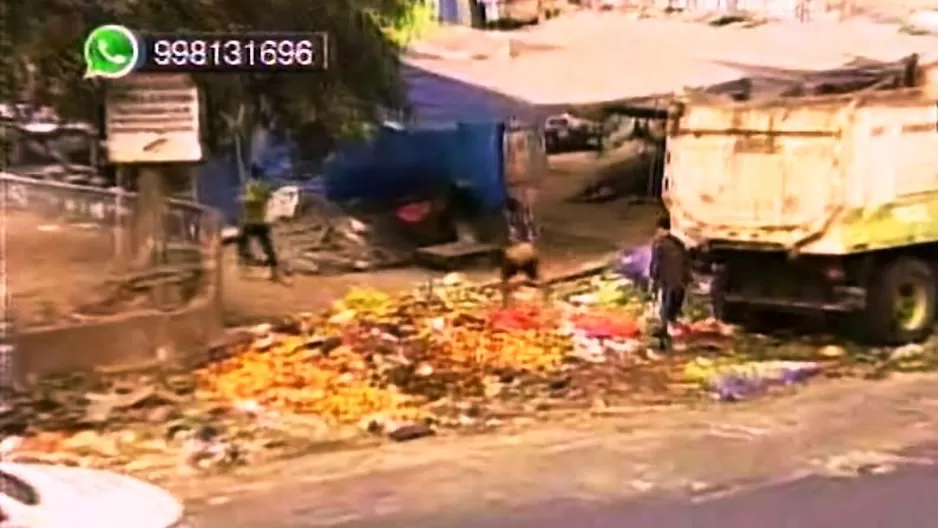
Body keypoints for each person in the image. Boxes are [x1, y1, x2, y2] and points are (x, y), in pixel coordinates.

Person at [649, 214, 692, 350]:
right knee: (673, 306)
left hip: (668, 279)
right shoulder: (678, 243)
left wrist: (653, 280)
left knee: (665, 305)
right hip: (679, 281)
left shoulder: (659, 244)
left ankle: (664, 330)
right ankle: (669, 327)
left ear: (661, 229)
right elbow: (686, 261)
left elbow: (656, 264)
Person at [500, 195, 548, 306]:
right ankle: (546, 301)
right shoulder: (527, 218)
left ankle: (505, 304)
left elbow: (506, 239)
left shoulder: (506, 222)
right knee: (537, 277)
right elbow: (535, 234)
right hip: (529, 251)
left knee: (505, 280)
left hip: (514, 255)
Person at [237, 166, 282, 281]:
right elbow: (267, 197)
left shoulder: (251, 186)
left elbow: (252, 200)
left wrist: (243, 199)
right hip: (260, 220)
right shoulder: (262, 187)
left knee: (242, 243)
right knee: (267, 246)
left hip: (251, 221)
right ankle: (274, 271)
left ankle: (245, 267)